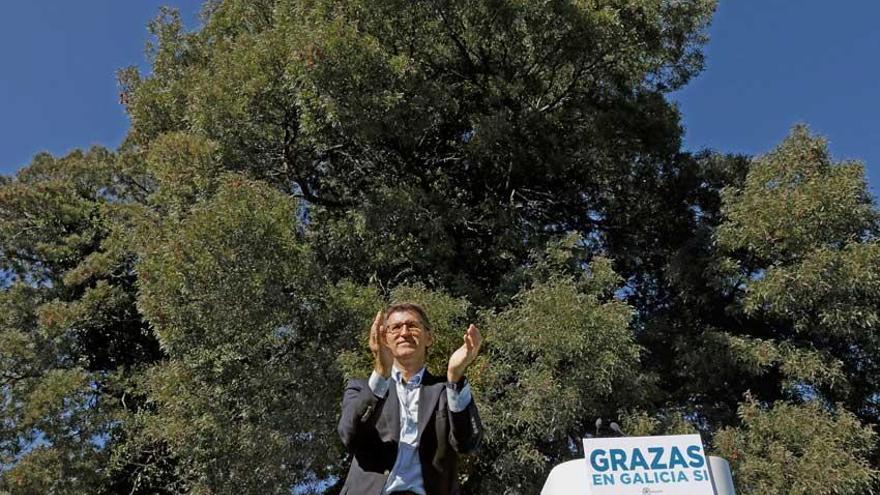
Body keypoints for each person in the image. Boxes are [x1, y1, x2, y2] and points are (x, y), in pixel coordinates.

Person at [338, 302, 484, 495]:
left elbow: (467, 443)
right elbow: (350, 435)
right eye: (395, 328)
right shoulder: (362, 388)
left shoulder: (445, 391)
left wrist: (454, 376)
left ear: (429, 337)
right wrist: (381, 373)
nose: (404, 333)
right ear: (384, 338)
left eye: (412, 326)